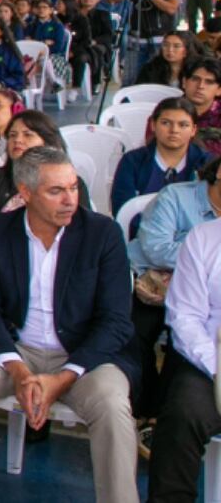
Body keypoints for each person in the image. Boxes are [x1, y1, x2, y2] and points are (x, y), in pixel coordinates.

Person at [0, 147, 138, 503]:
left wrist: (63, 377)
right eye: (56, 191)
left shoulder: (102, 234)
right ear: (25, 193)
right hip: (18, 351)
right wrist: (17, 370)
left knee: (112, 404)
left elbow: (116, 322)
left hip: (85, 357)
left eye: (73, 188)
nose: (70, 200)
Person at [125, 152, 220, 423]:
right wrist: (196, 257)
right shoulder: (176, 197)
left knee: (188, 340)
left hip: (196, 287)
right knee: (134, 332)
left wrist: (198, 265)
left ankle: (162, 417)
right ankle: (145, 409)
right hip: (150, 283)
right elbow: (156, 249)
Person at [147, 215, 221, 501]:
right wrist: (216, 370)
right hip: (212, 362)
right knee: (183, 414)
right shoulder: (203, 238)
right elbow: (186, 317)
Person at [0, 110, 89, 216]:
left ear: (48, 142)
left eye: (28, 135)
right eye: (12, 135)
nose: (17, 140)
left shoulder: (71, 184)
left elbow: (83, 228)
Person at [110, 96, 204, 213]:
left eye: (183, 125)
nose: (174, 130)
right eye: (166, 123)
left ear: (193, 130)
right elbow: (122, 209)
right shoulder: (132, 161)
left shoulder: (206, 162)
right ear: (153, 125)